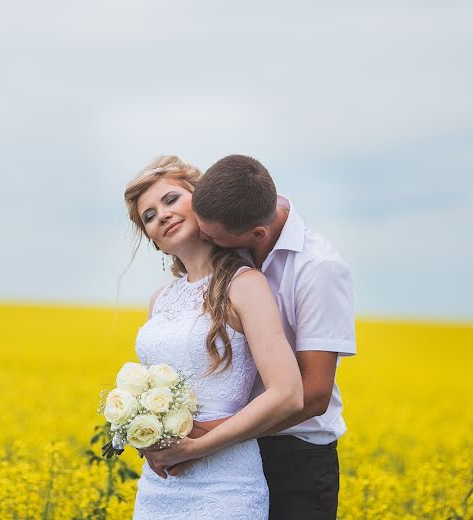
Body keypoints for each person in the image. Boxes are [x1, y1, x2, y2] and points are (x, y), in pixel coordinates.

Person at [150, 153, 356, 520]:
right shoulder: (233, 221)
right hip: (230, 452)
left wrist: (207, 436)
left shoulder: (317, 269)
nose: (206, 238)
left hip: (296, 455)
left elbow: (315, 395)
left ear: (256, 235)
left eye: (211, 236)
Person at [123, 155, 304, 520]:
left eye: (171, 199)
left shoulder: (246, 285)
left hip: (225, 486)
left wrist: (197, 447)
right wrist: (143, 433)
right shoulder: (159, 301)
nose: (162, 215)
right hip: (159, 486)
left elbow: (288, 394)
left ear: (200, 201)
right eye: (149, 216)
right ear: (155, 241)